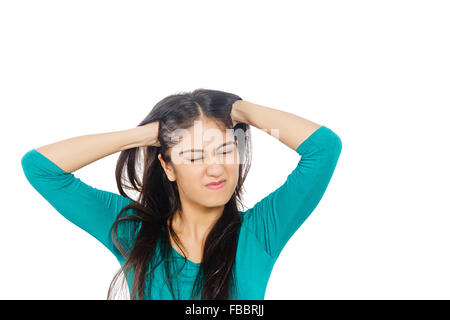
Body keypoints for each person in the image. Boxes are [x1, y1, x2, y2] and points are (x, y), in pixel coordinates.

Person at [21, 88, 342, 300]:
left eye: (225, 151)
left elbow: (324, 148)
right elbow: (41, 168)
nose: (215, 169)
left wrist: (239, 110)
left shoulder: (260, 231)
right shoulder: (132, 230)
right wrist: (147, 135)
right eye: (194, 156)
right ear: (168, 167)